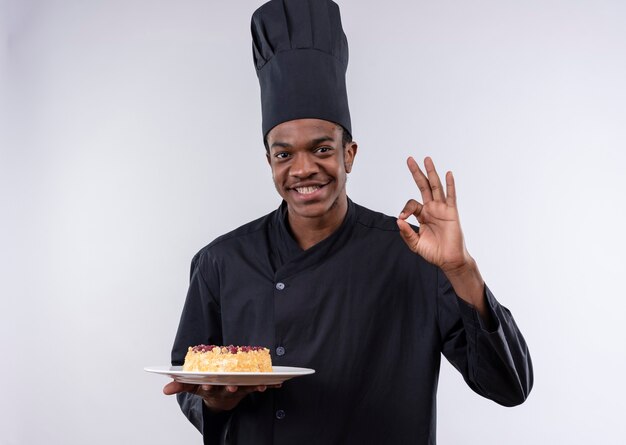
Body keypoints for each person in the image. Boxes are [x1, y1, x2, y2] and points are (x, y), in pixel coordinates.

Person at [163, 1, 533, 444]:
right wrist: (212, 400)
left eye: (321, 149)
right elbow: (191, 378)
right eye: (284, 154)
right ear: (269, 161)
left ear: (349, 154)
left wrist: (461, 270)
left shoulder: (413, 257)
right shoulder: (221, 262)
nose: (302, 169)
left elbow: (509, 388)